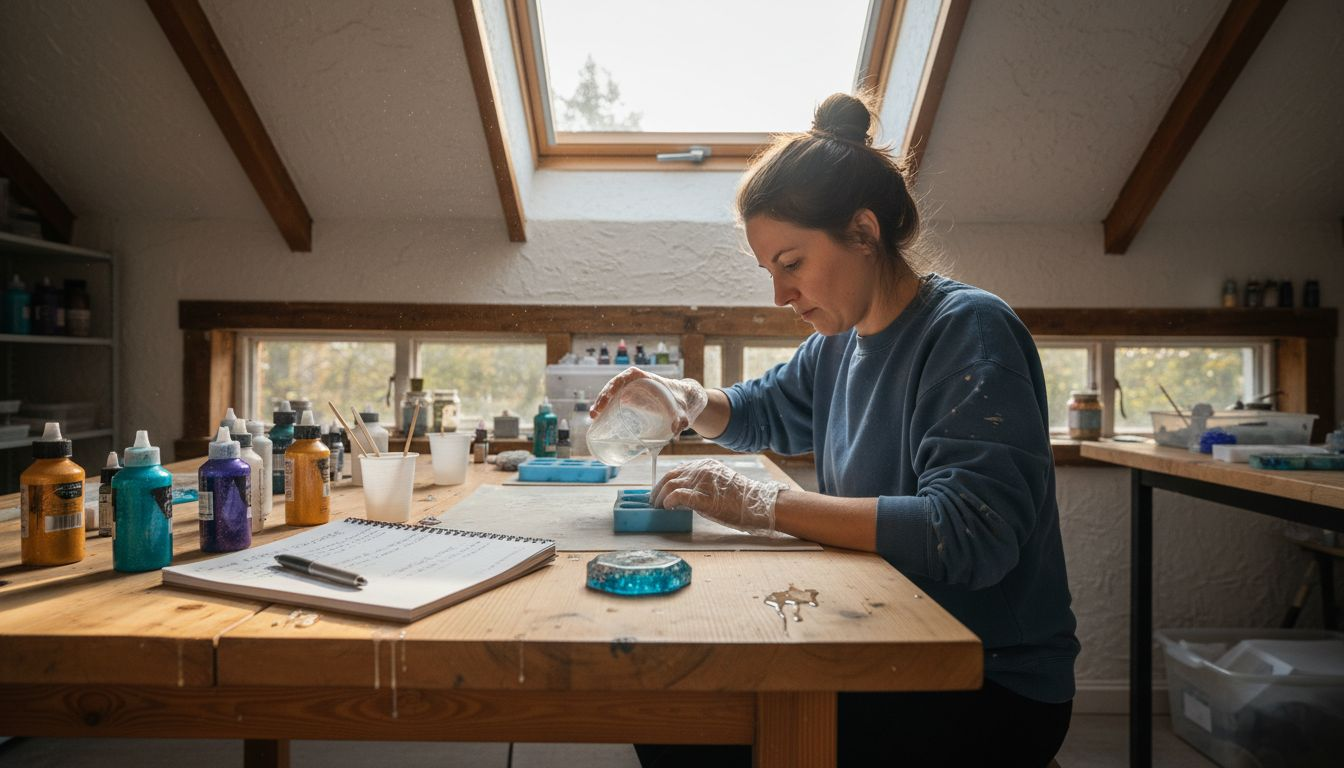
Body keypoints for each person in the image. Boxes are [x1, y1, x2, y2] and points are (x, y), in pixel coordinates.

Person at [592, 93, 1079, 767]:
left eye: (791, 264)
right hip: (885, 639)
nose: (779, 295)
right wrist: (685, 397)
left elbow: (967, 535)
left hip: (985, 682)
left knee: (689, 726)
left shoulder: (967, 330)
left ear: (862, 230)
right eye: (770, 271)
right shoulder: (839, 345)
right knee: (672, 705)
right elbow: (762, 411)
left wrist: (765, 506)